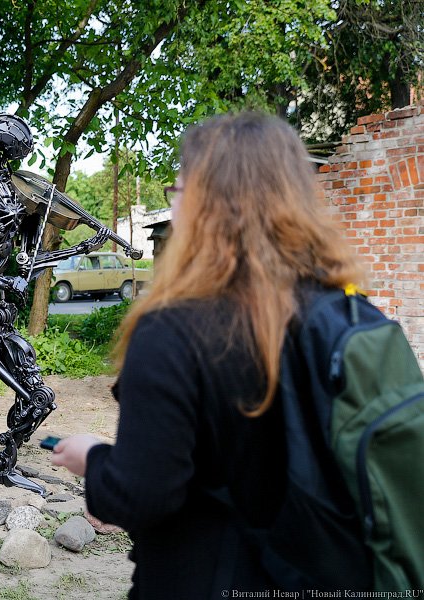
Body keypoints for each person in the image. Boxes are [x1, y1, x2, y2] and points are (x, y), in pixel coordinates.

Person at [50, 112, 366, 597]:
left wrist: (94, 457)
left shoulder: (171, 332)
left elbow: (143, 495)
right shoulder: (347, 314)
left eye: (178, 190)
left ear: (205, 206)